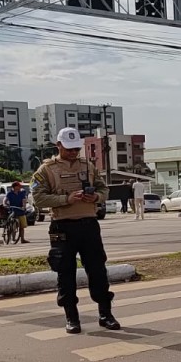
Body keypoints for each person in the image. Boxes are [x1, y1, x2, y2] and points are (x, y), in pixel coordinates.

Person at [31, 128, 119, 334]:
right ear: (58, 145)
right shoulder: (45, 170)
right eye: (69, 149)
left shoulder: (88, 166)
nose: (73, 152)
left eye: (76, 149)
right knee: (65, 273)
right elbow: (38, 198)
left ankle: (105, 314)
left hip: (88, 225)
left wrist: (96, 197)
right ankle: (72, 317)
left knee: (98, 270)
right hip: (62, 226)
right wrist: (66, 199)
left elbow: (103, 189)